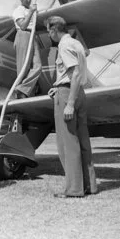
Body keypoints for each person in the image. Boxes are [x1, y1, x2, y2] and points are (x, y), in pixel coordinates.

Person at [46, 16, 97, 198]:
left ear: (53, 30)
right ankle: (89, 185)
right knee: (83, 141)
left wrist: (69, 103)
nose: (49, 35)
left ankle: (74, 189)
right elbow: (73, 74)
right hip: (79, 92)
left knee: (68, 143)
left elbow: (74, 73)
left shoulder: (63, 45)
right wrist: (58, 86)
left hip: (69, 94)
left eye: (48, 31)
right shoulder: (77, 44)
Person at [12, 0, 42, 98]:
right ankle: (20, 93)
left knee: (38, 66)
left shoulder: (31, 9)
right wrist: (31, 12)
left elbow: (47, 7)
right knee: (23, 66)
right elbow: (23, 26)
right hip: (23, 35)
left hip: (33, 36)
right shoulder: (18, 10)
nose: (28, 0)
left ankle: (22, 89)